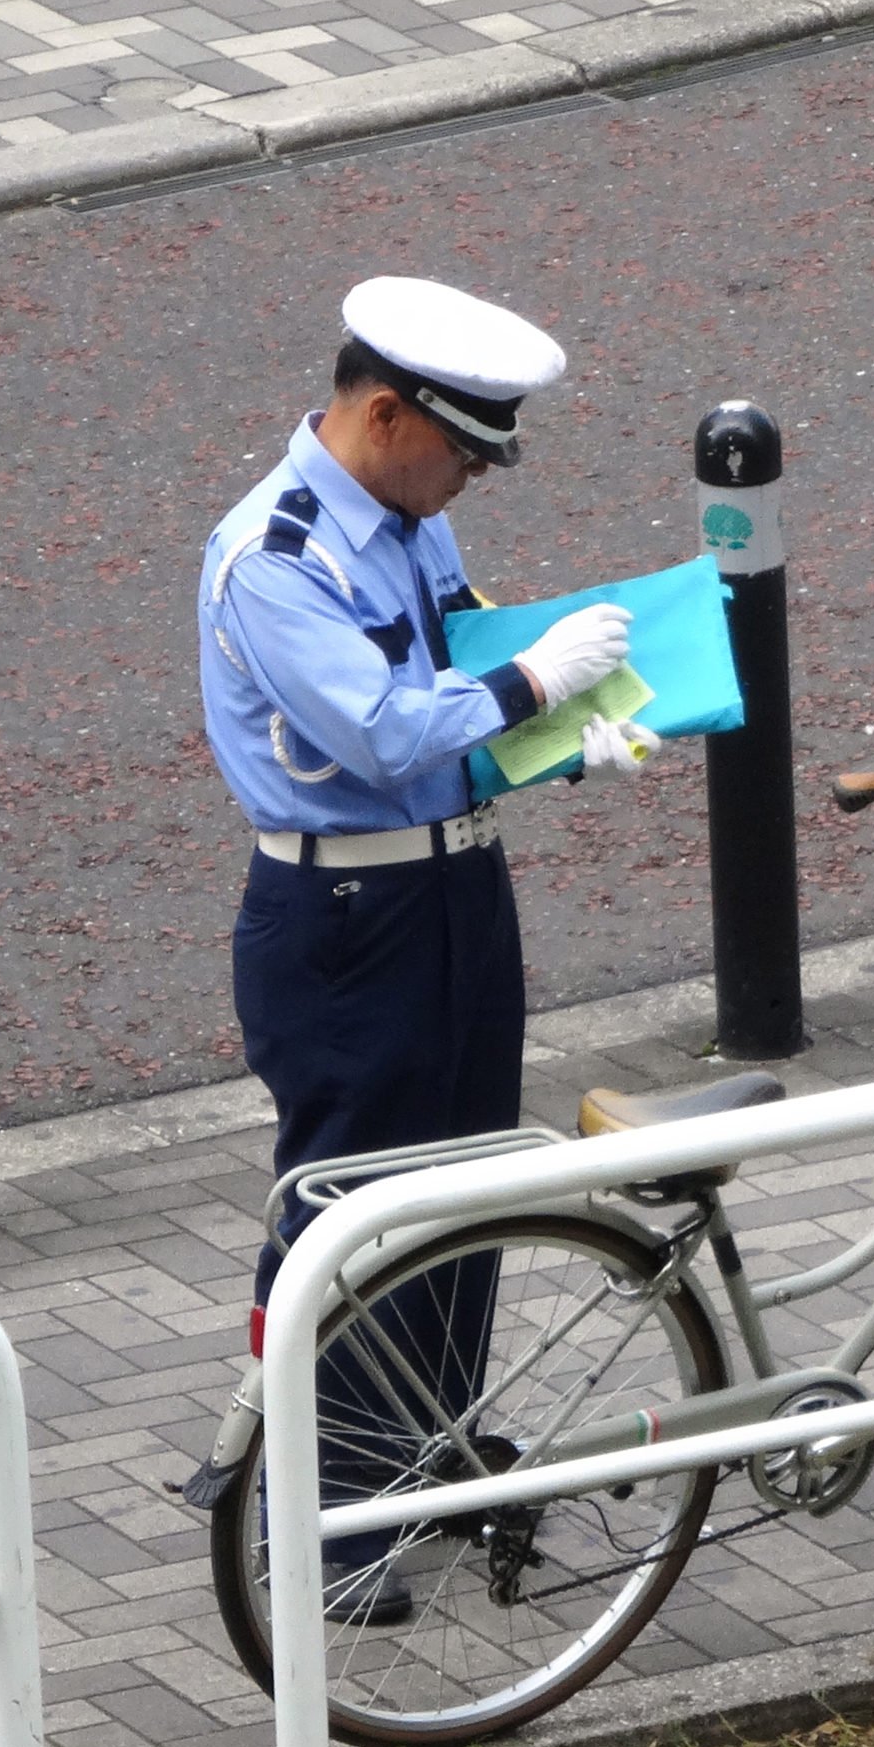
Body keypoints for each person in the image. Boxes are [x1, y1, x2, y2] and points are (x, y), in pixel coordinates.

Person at [196, 276, 656, 1618]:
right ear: (385, 413)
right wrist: (533, 685)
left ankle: (430, 1458)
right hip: (341, 919)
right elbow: (387, 732)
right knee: (352, 1216)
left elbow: (461, 680)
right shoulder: (279, 555)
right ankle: (325, 1522)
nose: (469, 480)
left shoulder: (399, 520)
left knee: (462, 1194)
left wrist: (569, 735)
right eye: (460, 451)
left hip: (454, 891)